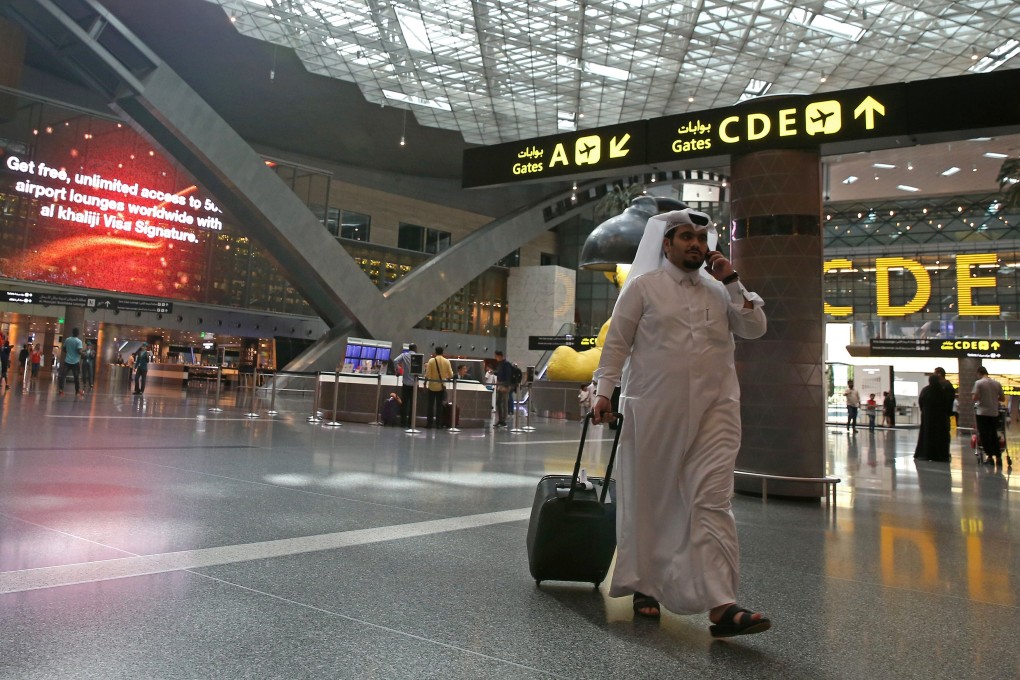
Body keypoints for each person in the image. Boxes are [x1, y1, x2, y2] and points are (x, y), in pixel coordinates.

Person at [590, 207, 770, 637]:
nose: (695, 244)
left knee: (712, 500)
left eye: (700, 238)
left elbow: (755, 327)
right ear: (666, 243)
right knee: (652, 498)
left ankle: (721, 605)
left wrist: (732, 280)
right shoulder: (642, 288)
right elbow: (616, 346)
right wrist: (603, 393)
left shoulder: (718, 290)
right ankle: (645, 587)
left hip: (716, 410)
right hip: (653, 407)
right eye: (685, 236)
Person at [973, 366, 1005, 467]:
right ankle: (999, 457)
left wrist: (981, 399)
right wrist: (993, 399)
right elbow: (1003, 398)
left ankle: (990, 457)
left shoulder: (979, 383)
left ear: (979, 373)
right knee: (993, 434)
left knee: (984, 435)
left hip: (982, 413)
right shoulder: (997, 383)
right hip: (994, 413)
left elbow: (975, 397)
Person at [423, 346, 453, 428]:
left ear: (435, 352)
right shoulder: (447, 361)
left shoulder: (431, 361)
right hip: (441, 386)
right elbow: (451, 375)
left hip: (432, 386)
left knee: (430, 405)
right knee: (439, 406)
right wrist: (444, 376)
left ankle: (429, 423)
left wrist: (425, 384)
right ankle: (438, 424)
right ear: (443, 352)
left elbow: (427, 374)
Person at [933, 367, 955, 460]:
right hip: (941, 414)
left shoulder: (946, 386)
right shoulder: (943, 385)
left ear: (939, 374)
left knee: (944, 433)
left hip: (943, 414)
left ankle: (945, 451)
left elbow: (947, 401)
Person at [394, 343, 417, 427]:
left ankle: (403, 422)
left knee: (405, 403)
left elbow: (395, 360)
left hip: (406, 383)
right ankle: (411, 422)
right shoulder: (418, 356)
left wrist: (398, 370)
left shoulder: (404, 355)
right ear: (415, 349)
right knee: (412, 403)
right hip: (414, 384)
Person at [57, 327, 85, 397]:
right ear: (78, 333)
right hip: (75, 362)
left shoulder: (67, 340)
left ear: (72, 332)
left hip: (67, 361)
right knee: (76, 377)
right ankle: (77, 391)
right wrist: (83, 354)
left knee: (63, 376)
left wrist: (69, 352)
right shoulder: (79, 341)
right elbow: (79, 351)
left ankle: (61, 390)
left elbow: (63, 349)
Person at [493, 350, 513, 428]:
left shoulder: (506, 364)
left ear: (500, 356)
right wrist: (494, 372)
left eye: (496, 356)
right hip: (500, 384)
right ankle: (500, 419)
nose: (496, 358)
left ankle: (503, 420)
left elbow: (508, 375)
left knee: (504, 402)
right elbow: (500, 373)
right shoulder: (500, 364)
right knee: (498, 402)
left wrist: (506, 386)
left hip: (504, 385)